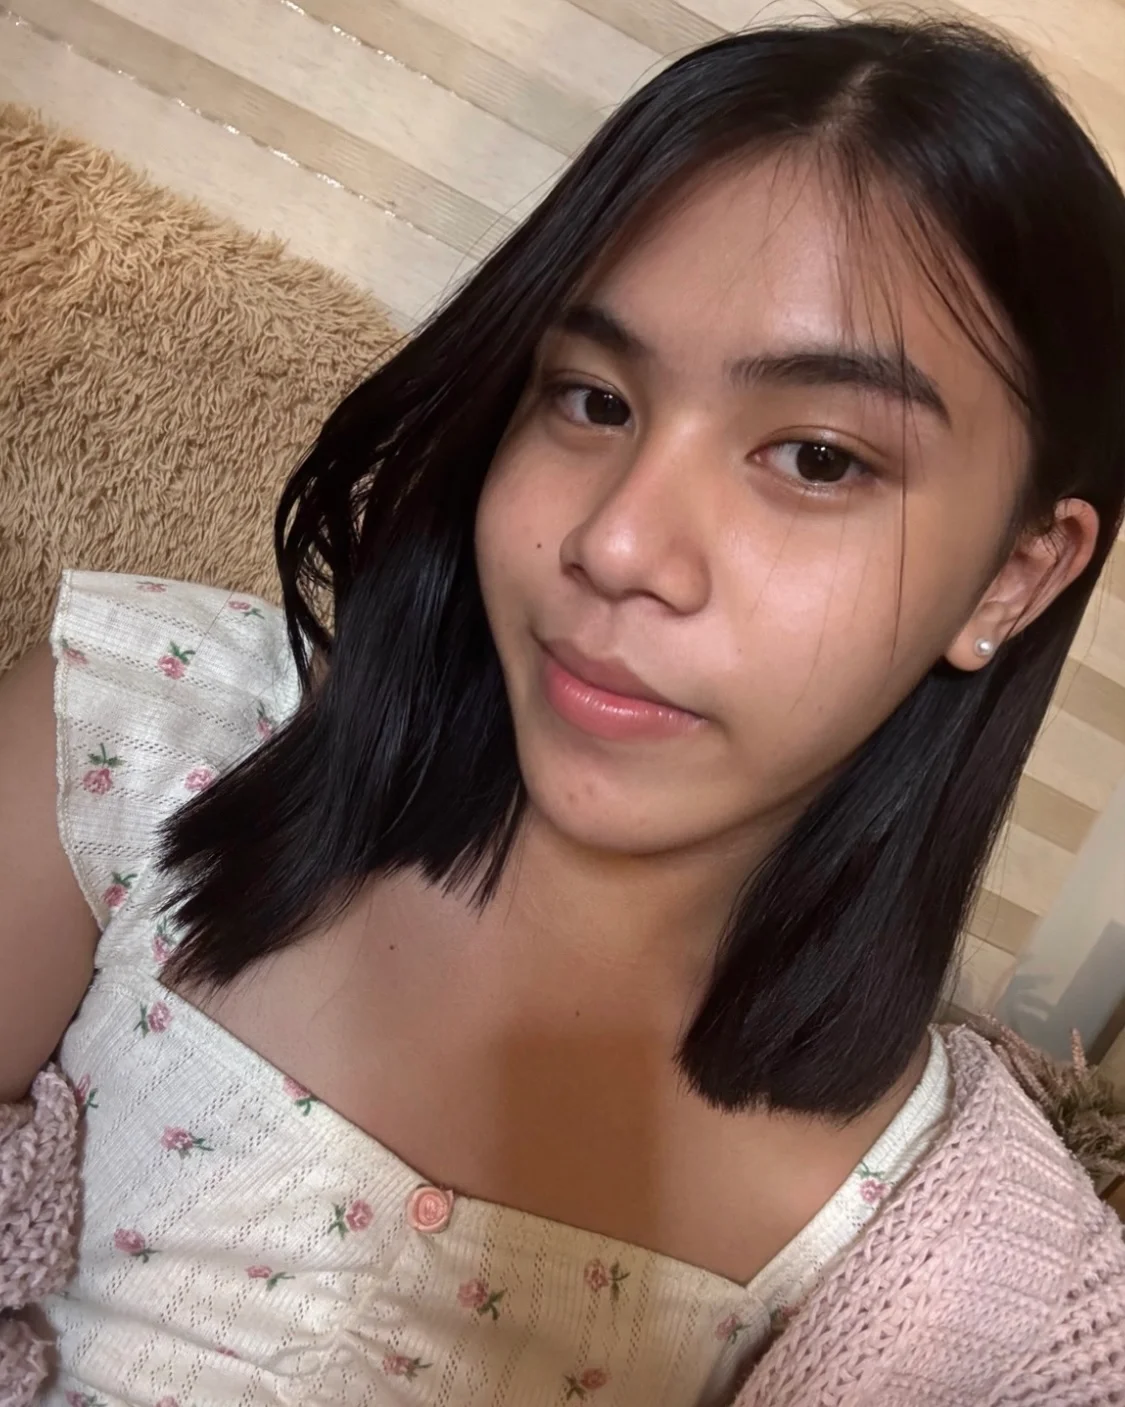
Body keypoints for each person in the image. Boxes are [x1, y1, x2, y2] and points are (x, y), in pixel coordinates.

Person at [2, 16, 1124, 1406]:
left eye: (819, 458)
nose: (618, 542)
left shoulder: (967, 1277)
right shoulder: (140, 738)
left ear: (1015, 576)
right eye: (592, 400)